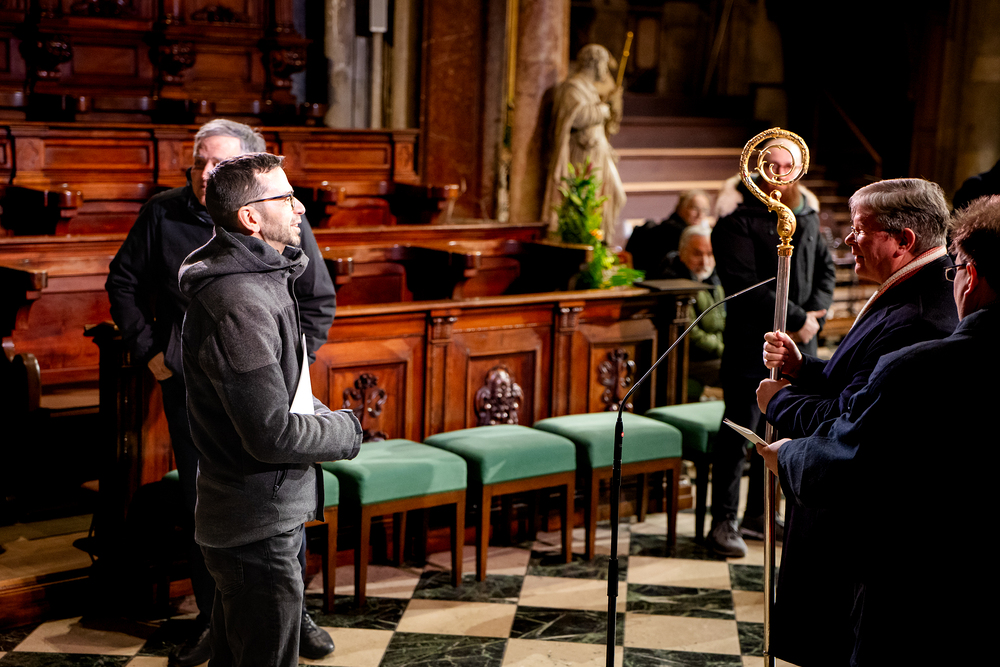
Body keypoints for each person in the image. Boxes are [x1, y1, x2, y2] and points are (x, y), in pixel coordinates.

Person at [105, 119, 338, 666]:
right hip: (193, 385)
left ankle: (288, 611)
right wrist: (154, 354)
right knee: (211, 501)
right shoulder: (166, 214)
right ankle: (218, 618)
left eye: (220, 163)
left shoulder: (279, 218)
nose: (207, 171)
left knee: (279, 498)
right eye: (200, 162)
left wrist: (291, 367)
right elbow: (123, 282)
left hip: (270, 382)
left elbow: (316, 299)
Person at [755, 194, 1000, 666]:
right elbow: (861, 386)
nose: (849, 239)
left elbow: (853, 448)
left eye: (859, 228)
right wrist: (805, 370)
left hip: (916, 579)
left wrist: (783, 436)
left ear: (972, 276)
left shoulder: (920, 344)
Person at [180, 152, 362, 667]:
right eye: (285, 196)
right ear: (250, 217)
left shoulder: (261, 281)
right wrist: (347, 431)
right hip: (253, 528)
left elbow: (288, 392)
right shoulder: (239, 303)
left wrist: (324, 418)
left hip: (261, 519)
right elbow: (271, 433)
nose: (299, 206)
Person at [708, 138, 836, 557]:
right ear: (756, 167)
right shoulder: (736, 221)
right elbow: (746, 287)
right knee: (739, 434)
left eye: (787, 165)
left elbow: (825, 269)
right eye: (772, 164)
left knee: (783, 432)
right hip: (751, 345)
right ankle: (724, 519)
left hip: (801, 345)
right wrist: (798, 319)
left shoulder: (806, 215)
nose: (779, 174)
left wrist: (813, 317)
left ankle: (760, 515)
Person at [543, 44, 627, 248]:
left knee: (616, 195)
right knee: (585, 202)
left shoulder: (590, 90)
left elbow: (605, 122)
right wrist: (604, 110)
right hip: (582, 155)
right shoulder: (573, 87)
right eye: (604, 64)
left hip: (599, 153)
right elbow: (577, 117)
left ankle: (599, 242)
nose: (605, 70)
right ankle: (585, 243)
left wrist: (612, 106)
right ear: (595, 63)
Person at [660, 225, 724, 396]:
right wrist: (724, 350)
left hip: (716, 355)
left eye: (710, 254)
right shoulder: (676, 285)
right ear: (682, 254)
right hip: (691, 360)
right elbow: (692, 335)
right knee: (742, 371)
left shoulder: (716, 281)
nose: (705, 261)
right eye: (697, 254)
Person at [627, 189, 711, 276]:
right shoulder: (673, 231)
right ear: (681, 208)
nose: (700, 214)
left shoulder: (690, 231)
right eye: (694, 208)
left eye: (705, 210)